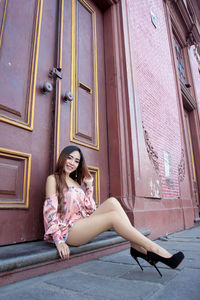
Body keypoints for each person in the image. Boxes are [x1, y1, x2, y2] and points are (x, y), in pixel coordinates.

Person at [43, 145, 184, 277]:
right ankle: (154, 249)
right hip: (69, 231)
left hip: (81, 224)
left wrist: (89, 186)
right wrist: (59, 241)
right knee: (113, 217)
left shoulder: (76, 183)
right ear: (63, 157)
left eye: (76, 161)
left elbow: (90, 209)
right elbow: (50, 213)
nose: (72, 163)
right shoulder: (53, 179)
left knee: (113, 202)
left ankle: (136, 245)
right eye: (69, 158)